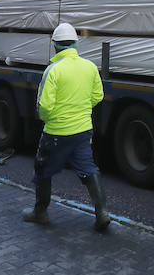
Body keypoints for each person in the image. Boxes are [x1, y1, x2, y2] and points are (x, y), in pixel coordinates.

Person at [22, 23, 109, 231]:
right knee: (88, 169)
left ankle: (40, 212)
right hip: (82, 131)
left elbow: (44, 106)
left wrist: (52, 118)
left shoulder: (53, 70)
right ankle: (102, 213)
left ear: (54, 46)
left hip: (55, 133)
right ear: (76, 43)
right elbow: (98, 96)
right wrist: (81, 109)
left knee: (43, 171)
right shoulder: (89, 67)